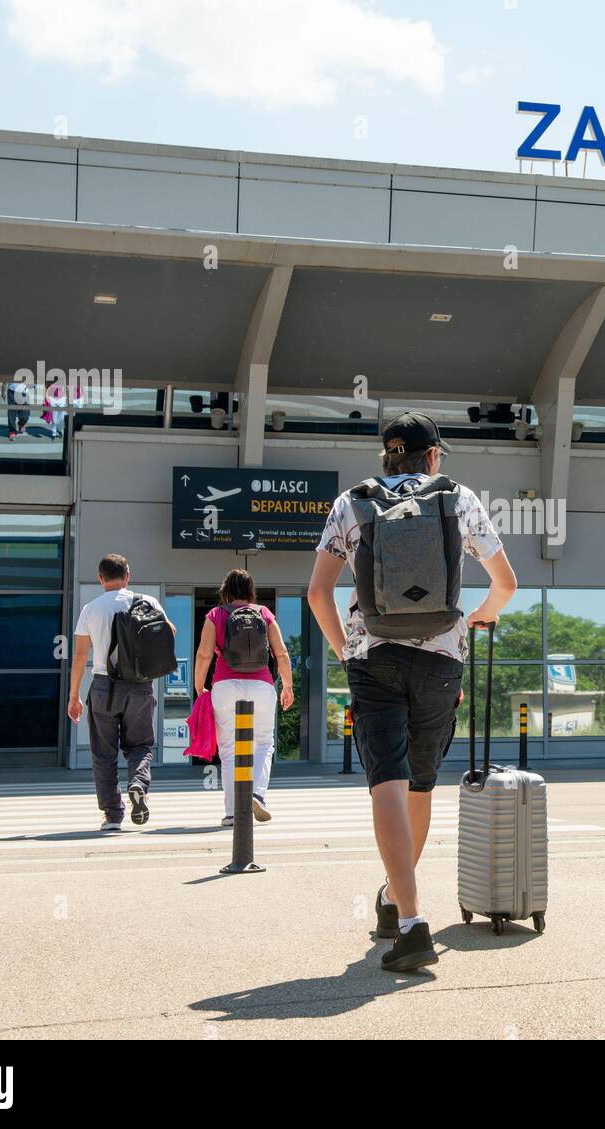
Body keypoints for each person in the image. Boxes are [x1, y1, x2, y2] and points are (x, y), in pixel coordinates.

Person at [309, 411, 517, 973]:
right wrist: (479, 617)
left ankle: (407, 917)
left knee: (387, 782)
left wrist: (344, 650)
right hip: (441, 660)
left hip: (373, 656)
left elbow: (318, 592)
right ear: (431, 456)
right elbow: (507, 584)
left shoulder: (351, 503)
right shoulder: (460, 499)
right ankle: (400, 902)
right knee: (420, 784)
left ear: (388, 455)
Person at [68, 555, 176, 831]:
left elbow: (80, 655)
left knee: (103, 754)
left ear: (100, 578)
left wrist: (74, 695)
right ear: (127, 574)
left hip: (104, 686)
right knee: (140, 745)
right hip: (139, 686)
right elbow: (170, 632)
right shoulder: (147, 602)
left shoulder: (91, 608)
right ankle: (138, 783)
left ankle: (113, 815)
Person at [194, 569, 294, 827]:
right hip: (261, 685)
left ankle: (231, 813)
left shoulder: (215, 615)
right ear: (251, 590)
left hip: (225, 685)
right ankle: (258, 794)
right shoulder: (264, 613)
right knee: (263, 743)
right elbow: (281, 653)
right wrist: (287, 686)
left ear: (225, 590)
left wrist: (199, 687)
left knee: (228, 751)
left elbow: (204, 655)